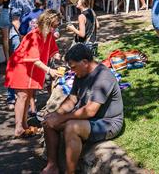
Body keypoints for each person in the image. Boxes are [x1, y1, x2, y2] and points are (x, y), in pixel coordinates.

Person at [42, 43, 124, 174]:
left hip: (107, 123)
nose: (72, 71)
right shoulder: (81, 73)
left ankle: (70, 172)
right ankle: (52, 165)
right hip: (89, 119)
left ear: (85, 62)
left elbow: (90, 111)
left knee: (72, 127)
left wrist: (62, 118)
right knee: (49, 122)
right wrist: (56, 114)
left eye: (73, 67)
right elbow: (72, 99)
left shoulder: (103, 78)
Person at [5, 10, 62, 138]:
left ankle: (24, 125)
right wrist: (49, 70)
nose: (54, 28)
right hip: (20, 66)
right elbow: (34, 59)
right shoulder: (34, 35)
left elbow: (53, 50)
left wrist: (58, 56)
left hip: (29, 68)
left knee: (29, 94)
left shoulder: (48, 35)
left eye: (56, 26)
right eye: (53, 25)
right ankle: (18, 128)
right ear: (46, 23)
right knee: (22, 96)